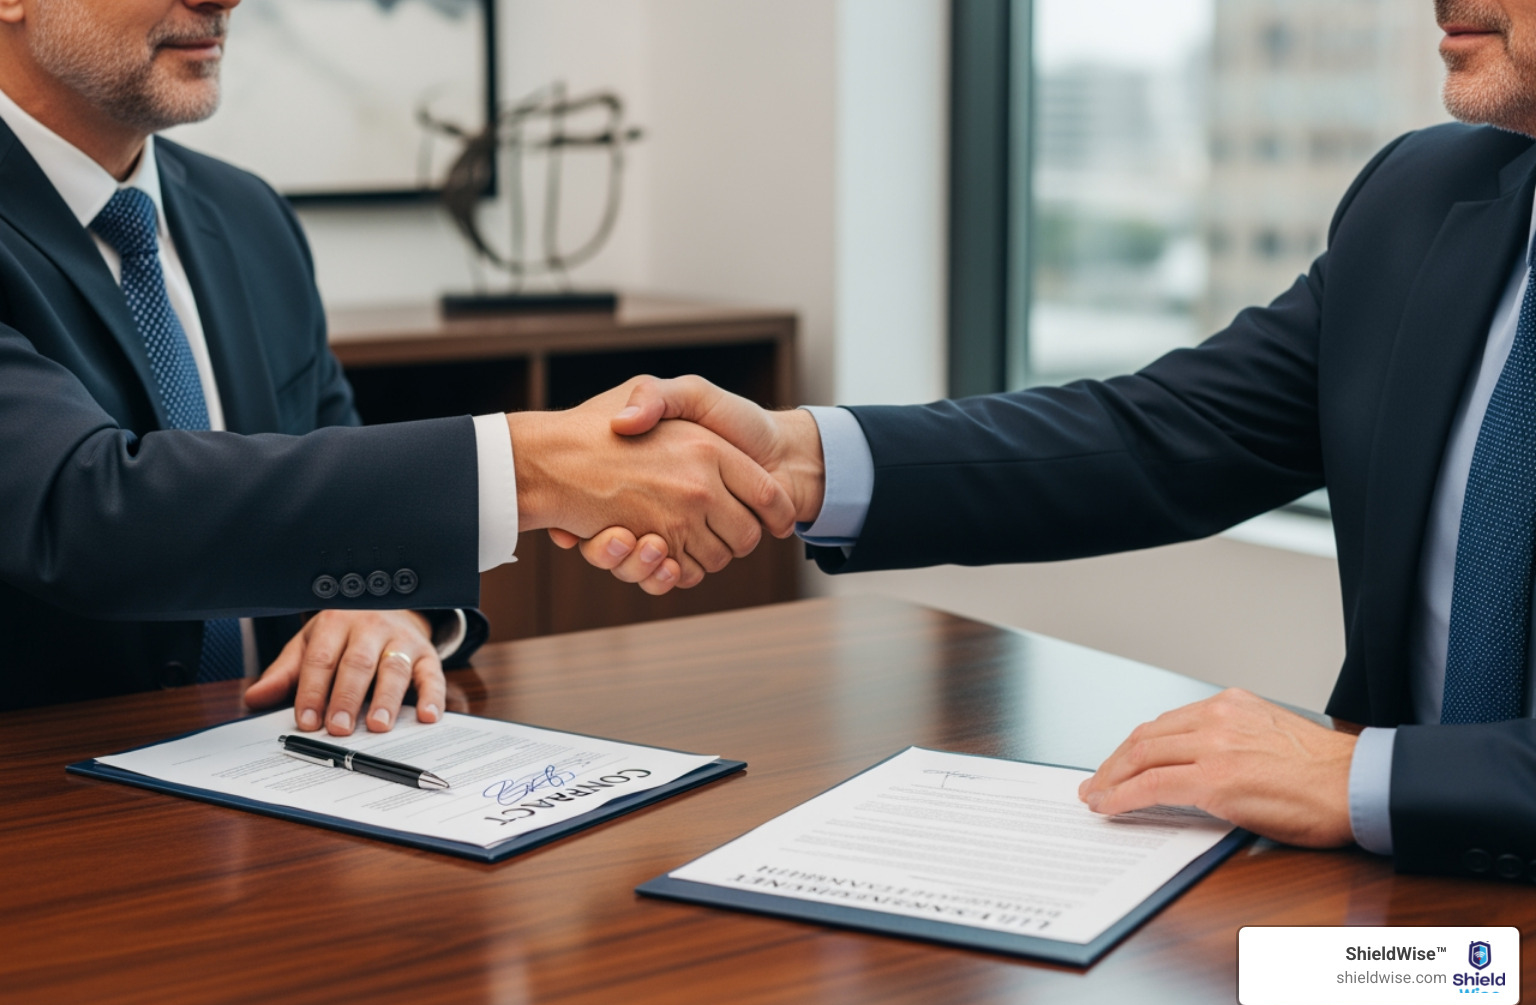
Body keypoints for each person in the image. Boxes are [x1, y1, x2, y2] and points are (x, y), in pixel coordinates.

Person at [563, 0, 1536, 883]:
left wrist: (1363, 773)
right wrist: (793, 458)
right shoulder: (1422, 196)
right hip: (1408, 918)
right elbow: (1161, 434)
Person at [0, 0, 793, 731]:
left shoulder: (249, 218)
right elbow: (84, 510)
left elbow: (345, 481)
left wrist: (396, 609)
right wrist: (533, 467)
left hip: (291, 807)